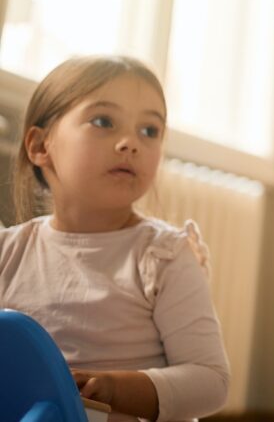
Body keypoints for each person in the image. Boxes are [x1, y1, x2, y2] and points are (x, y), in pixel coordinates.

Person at [0, 56, 230, 421]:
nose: (130, 143)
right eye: (104, 121)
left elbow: (211, 382)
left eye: (150, 130)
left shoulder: (164, 255)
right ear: (41, 146)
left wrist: (118, 387)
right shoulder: (8, 252)